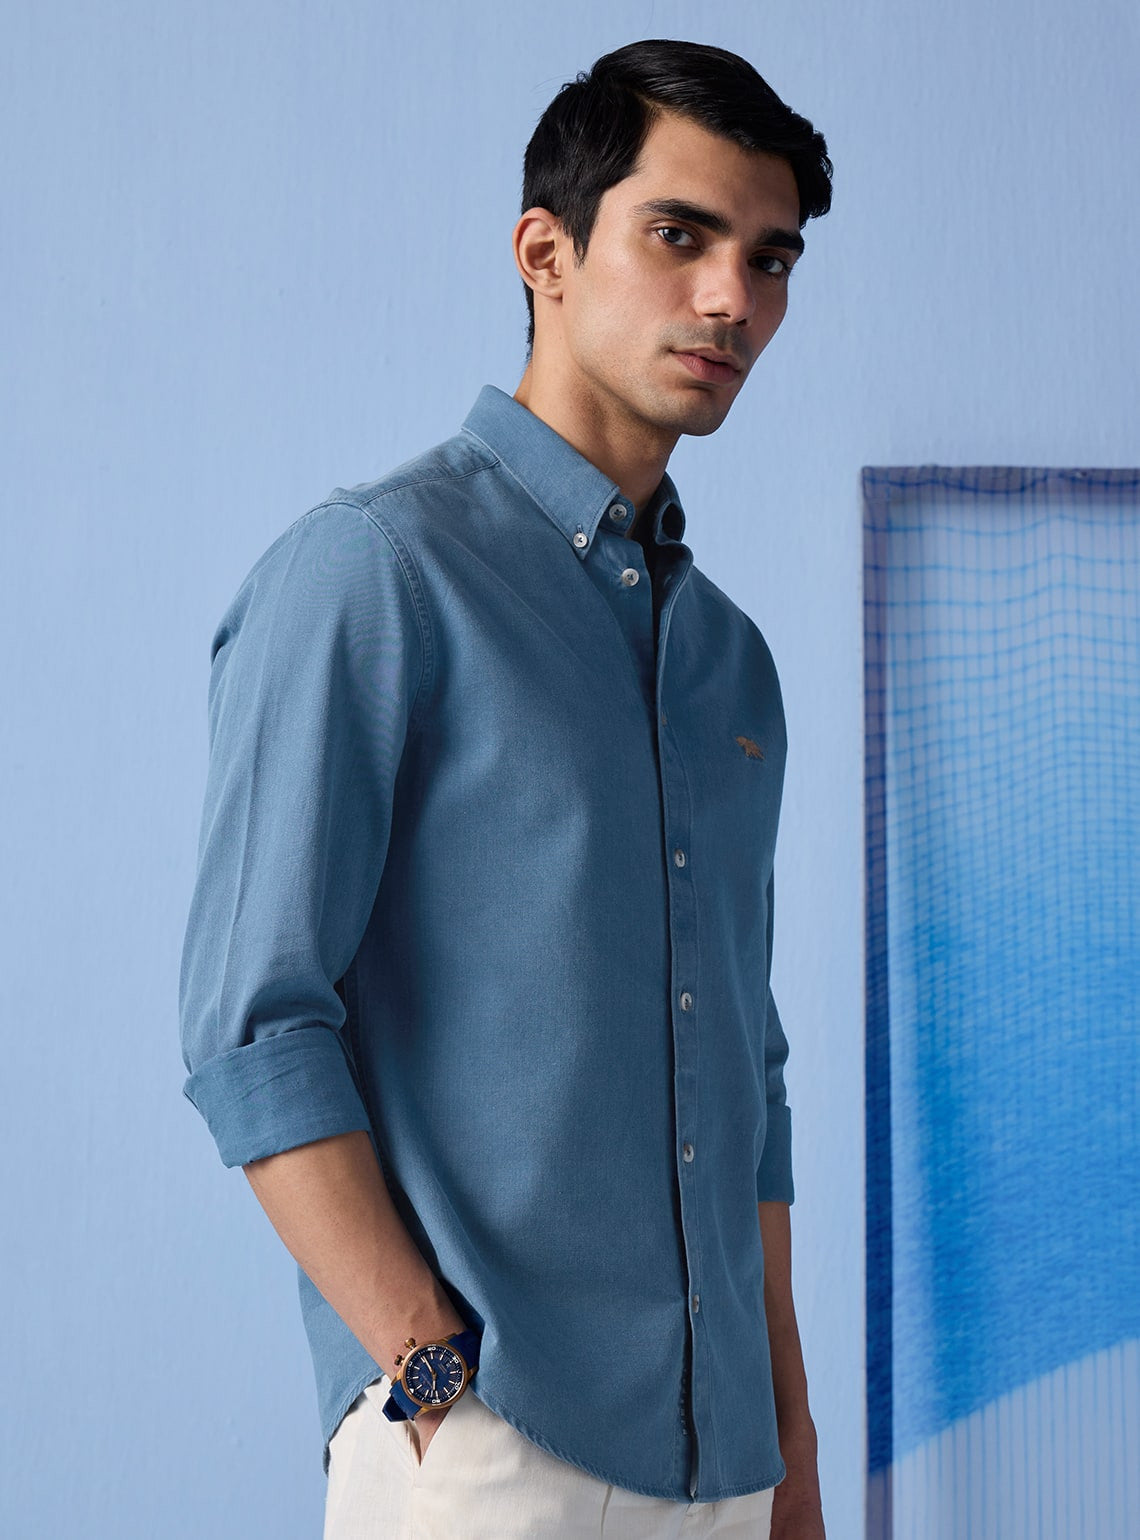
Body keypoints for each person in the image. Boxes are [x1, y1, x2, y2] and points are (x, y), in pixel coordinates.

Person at [179, 37, 832, 1540]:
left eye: (769, 257)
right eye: (682, 235)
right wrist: (429, 1381)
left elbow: (750, 1078)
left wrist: (791, 1446)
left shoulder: (732, 664)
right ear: (547, 252)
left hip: (729, 1465)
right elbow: (254, 1025)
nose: (732, 299)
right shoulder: (374, 573)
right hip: (486, 1451)